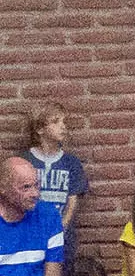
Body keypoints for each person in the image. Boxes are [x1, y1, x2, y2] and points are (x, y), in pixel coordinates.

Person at [24, 102, 88, 267]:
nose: (63, 127)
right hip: (30, 234)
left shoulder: (70, 163)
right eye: (55, 122)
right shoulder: (25, 161)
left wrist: (60, 229)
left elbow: (72, 201)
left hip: (62, 237)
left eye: (64, 122)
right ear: (40, 129)